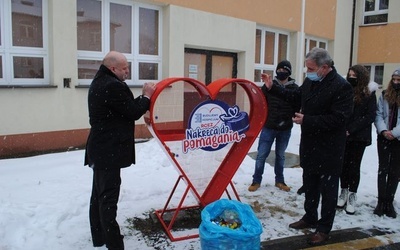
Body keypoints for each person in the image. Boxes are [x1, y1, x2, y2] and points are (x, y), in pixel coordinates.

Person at [261, 47, 353, 245]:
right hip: (310, 146)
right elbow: (295, 97)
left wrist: (308, 120)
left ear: (325, 67)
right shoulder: (311, 81)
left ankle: (323, 228)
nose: (307, 71)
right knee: (310, 186)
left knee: (328, 191)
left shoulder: (341, 87)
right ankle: (309, 217)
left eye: (311, 68)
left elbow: (339, 119)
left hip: (329, 149)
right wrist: (272, 87)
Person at [84, 51, 156, 249]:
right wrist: (147, 96)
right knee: (107, 200)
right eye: (124, 68)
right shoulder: (111, 85)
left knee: (98, 195)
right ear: (113, 68)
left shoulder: (101, 81)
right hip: (108, 151)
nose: (127, 71)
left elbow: (125, 107)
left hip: (100, 149)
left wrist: (141, 98)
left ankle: (99, 237)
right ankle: (114, 244)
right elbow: (132, 111)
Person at [248, 60, 299, 192]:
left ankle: (280, 181)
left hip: (285, 128)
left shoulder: (295, 88)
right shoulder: (269, 86)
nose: (281, 72)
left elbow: (297, 105)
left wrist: (292, 116)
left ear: (289, 72)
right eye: (279, 70)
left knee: (280, 155)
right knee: (261, 155)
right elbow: (261, 103)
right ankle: (256, 180)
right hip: (269, 127)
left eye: (284, 70)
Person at [337, 65, 377, 215]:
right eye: (349, 74)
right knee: (343, 165)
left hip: (359, 136)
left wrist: (351, 129)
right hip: (344, 135)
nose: (351, 77)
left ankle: (352, 195)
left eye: (354, 75)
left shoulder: (369, 93)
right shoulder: (346, 90)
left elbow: (369, 116)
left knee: (354, 166)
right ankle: (344, 191)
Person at [373, 67, 400, 219]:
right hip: (383, 137)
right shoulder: (384, 95)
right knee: (382, 169)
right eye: (394, 79)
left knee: (395, 171)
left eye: (399, 80)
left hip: (398, 138)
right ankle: (381, 201)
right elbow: (378, 114)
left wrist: (394, 133)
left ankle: (389, 201)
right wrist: (384, 131)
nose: (396, 82)